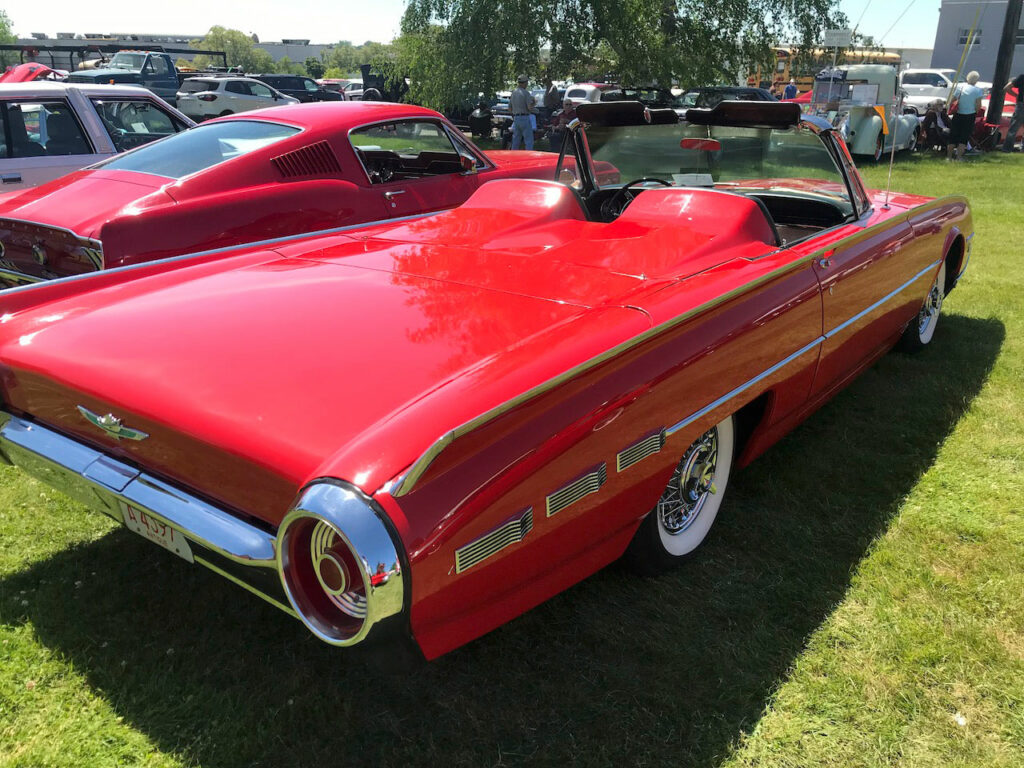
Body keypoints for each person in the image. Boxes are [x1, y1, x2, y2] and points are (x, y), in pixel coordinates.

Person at [948, 70, 984, 161]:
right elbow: (978, 105)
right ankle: (959, 157)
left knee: (953, 136)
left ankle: (949, 157)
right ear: (976, 80)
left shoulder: (960, 87)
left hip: (958, 114)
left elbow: (952, 100)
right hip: (969, 115)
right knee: (964, 137)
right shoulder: (978, 90)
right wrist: (975, 111)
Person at [509, 74, 537, 150]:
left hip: (516, 118)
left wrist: (514, 116)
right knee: (528, 140)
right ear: (525, 83)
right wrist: (534, 103)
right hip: (524, 117)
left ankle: (513, 154)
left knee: (516, 140)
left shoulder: (513, 93)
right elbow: (529, 107)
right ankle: (528, 154)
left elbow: (510, 108)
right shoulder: (526, 93)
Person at [1000, 71, 1024, 152]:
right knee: (1014, 128)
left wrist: (1016, 95)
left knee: (1013, 128)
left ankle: (1007, 148)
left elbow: (1007, 87)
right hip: (1021, 105)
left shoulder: (1022, 77)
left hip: (1021, 104)